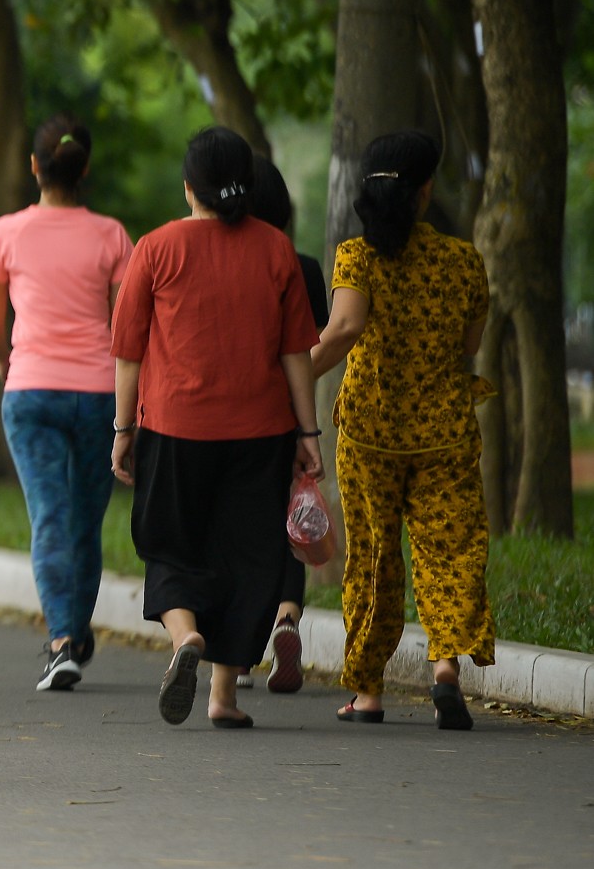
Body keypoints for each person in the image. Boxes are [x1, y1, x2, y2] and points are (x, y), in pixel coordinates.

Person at [110, 127, 322, 729]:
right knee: (248, 560)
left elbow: (127, 352)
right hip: (260, 434)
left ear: (188, 188)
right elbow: (295, 355)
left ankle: (184, 639)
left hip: (174, 429)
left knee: (170, 543)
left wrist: (123, 429)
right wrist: (308, 437)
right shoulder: (276, 250)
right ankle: (224, 698)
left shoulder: (154, 248)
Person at [311, 131, 493, 731]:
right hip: (444, 431)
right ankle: (445, 671)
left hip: (370, 430)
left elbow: (342, 331)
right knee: (449, 551)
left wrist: (284, 373)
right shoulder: (463, 260)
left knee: (373, 558)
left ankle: (368, 693)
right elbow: (470, 346)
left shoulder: (355, 256)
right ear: (425, 191)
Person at [0, 114, 133, 692]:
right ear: (84, 168)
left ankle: (63, 641)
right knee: (85, 523)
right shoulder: (113, 235)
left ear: (34, 167)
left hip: (31, 391)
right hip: (96, 394)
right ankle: (75, 630)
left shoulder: (6, 231)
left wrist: (4, 362)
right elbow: (127, 326)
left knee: (49, 517)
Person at [244, 157, 331, 694]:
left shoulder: (230, 263)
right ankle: (286, 619)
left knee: (241, 529)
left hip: (236, 417)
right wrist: (307, 425)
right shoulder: (304, 266)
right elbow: (311, 345)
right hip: (288, 418)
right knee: (291, 530)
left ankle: (242, 648)